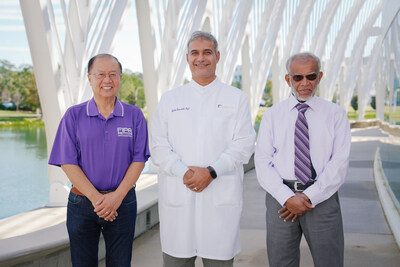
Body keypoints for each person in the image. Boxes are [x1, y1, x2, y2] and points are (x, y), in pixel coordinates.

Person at [151, 31, 256, 267]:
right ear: (187, 58)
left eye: (207, 52)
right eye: (195, 53)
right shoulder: (170, 99)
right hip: (179, 199)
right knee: (177, 259)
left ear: (217, 56)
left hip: (219, 200)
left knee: (219, 259)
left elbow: (244, 144)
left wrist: (211, 172)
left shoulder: (236, 98)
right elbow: (158, 145)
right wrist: (185, 173)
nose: (201, 58)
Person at [48, 53, 150, 267]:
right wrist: (97, 199)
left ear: (120, 78)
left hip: (123, 201)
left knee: (121, 264)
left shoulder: (134, 116)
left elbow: (139, 159)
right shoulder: (73, 115)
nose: (107, 80)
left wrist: (116, 198)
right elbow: (67, 161)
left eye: (113, 74)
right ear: (89, 78)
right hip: (82, 203)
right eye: (100, 74)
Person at [254, 52, 351, 267]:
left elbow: (339, 163)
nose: (305, 83)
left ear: (320, 77)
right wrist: (287, 197)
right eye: (298, 77)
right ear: (288, 79)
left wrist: (308, 197)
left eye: (311, 76)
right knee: (281, 262)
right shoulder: (272, 116)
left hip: (323, 198)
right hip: (280, 201)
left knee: (330, 261)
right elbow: (262, 161)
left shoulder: (336, 115)